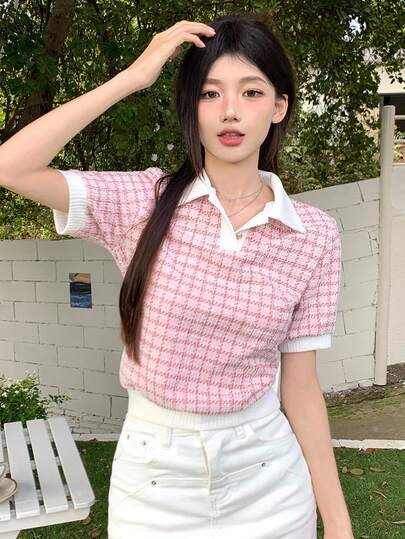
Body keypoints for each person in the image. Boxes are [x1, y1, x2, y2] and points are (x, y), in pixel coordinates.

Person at [0, 13, 354, 539]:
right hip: (154, 484)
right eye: (210, 93)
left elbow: (301, 388)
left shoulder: (314, 235)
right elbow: (11, 166)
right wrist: (132, 77)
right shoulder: (143, 202)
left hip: (269, 478)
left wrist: (340, 524)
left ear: (279, 106)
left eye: (251, 92)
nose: (230, 110)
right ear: (191, 107)